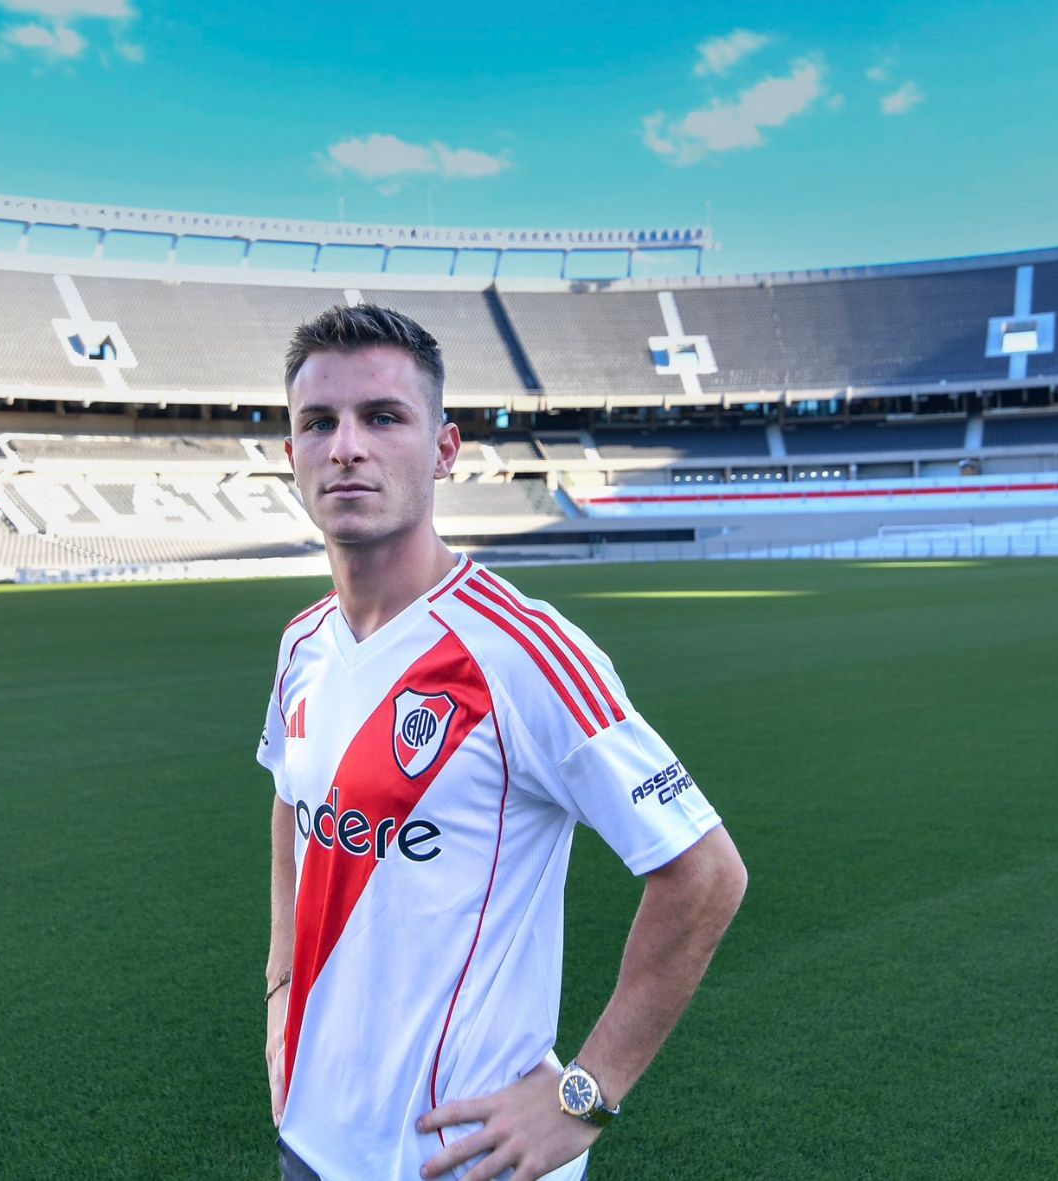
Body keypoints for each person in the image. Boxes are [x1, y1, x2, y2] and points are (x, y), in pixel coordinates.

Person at [258, 304, 747, 1181]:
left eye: (382, 417)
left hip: (467, 1160)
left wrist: (586, 1095)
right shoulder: (302, 645)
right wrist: (280, 992)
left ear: (444, 450)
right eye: (317, 423)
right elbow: (294, 809)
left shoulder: (521, 651)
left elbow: (705, 872)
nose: (346, 447)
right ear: (290, 452)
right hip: (315, 1138)